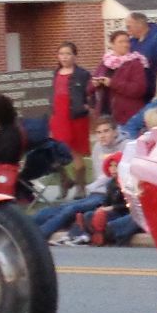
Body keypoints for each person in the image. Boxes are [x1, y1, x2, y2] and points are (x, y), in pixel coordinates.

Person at [37, 117, 120, 243]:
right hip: (95, 192)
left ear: (115, 132)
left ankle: (39, 235)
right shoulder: (98, 147)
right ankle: (22, 226)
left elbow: (113, 177)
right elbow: (100, 173)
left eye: (106, 131)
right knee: (58, 208)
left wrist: (93, 186)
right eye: (99, 132)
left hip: (110, 194)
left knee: (70, 210)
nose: (102, 136)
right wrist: (93, 187)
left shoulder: (125, 146)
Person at [49, 41, 92, 198]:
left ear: (74, 56)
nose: (64, 57)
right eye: (61, 54)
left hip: (75, 117)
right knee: (57, 151)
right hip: (58, 116)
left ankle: (81, 187)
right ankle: (65, 181)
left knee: (76, 152)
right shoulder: (56, 73)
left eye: (68, 54)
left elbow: (91, 93)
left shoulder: (83, 74)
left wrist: (87, 106)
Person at [90, 30, 148, 126]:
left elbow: (139, 89)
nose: (125, 45)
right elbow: (89, 87)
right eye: (121, 42)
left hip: (127, 116)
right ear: (112, 44)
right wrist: (95, 84)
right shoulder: (105, 62)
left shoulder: (135, 63)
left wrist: (112, 83)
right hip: (106, 114)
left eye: (127, 41)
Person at [125, 12, 157, 97]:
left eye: (129, 27)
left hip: (156, 91)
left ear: (139, 24)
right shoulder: (132, 42)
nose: (127, 31)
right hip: (139, 92)